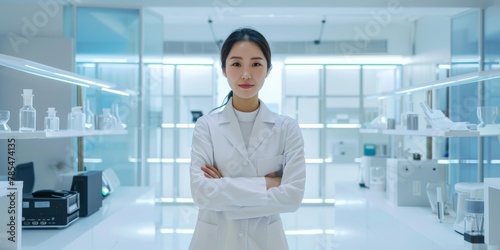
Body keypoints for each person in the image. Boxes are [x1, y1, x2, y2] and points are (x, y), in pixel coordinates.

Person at [189, 27, 306, 250]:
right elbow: (202, 194)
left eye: (255, 64)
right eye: (236, 64)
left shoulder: (287, 128)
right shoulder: (206, 126)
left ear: (268, 69)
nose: (245, 74)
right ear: (223, 69)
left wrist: (223, 190)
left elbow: (293, 198)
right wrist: (268, 184)